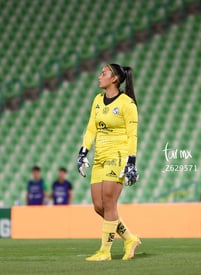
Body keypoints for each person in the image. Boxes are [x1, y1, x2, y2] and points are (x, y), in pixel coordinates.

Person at [77, 63, 140, 261]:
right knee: (99, 206)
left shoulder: (127, 103)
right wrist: (83, 152)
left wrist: (131, 162)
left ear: (114, 79)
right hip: (99, 157)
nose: (99, 76)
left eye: (103, 73)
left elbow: (133, 135)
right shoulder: (97, 100)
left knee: (109, 202)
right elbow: (90, 129)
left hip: (118, 155)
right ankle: (130, 238)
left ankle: (105, 251)